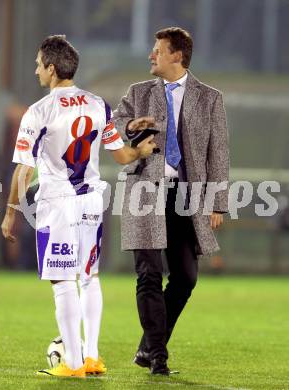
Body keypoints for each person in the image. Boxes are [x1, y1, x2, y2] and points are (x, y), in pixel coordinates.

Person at [1, 35, 156, 378]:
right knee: (89, 277)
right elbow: (121, 154)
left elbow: (25, 168)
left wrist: (11, 210)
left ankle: (71, 363)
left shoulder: (40, 110)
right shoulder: (97, 104)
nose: (36, 69)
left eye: (39, 64)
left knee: (61, 280)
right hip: (90, 202)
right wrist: (140, 152)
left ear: (52, 68)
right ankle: (91, 357)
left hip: (57, 203)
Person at [112, 27, 229, 375]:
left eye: (158, 50)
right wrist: (131, 123)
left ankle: (148, 347)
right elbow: (112, 127)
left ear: (177, 56)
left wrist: (217, 201)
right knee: (148, 274)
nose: (152, 55)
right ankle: (158, 357)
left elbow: (218, 152)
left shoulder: (210, 98)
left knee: (186, 278)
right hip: (144, 193)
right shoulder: (138, 92)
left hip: (186, 197)